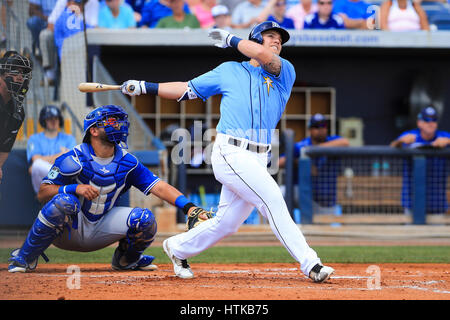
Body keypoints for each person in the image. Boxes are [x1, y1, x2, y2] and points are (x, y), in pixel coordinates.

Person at [121, 21, 335, 283]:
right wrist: (145, 87)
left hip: (259, 156)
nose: (277, 42)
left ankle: (177, 247)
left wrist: (231, 39)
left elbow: (264, 56)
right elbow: (187, 89)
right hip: (230, 151)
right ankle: (311, 263)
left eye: (280, 39)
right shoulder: (229, 70)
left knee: (228, 222)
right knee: (272, 201)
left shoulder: (284, 71)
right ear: (255, 40)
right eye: (270, 36)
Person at [8, 104, 210, 273]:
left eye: (119, 120)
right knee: (64, 201)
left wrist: (189, 207)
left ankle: (125, 260)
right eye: (111, 121)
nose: (119, 124)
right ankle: (25, 257)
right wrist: (73, 188)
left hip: (102, 226)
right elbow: (43, 193)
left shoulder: (128, 161)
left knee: (145, 219)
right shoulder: (73, 158)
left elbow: (160, 187)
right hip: (68, 230)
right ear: (94, 130)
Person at [279, 114, 349, 213]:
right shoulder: (303, 145)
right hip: (307, 197)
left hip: (327, 201)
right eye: (316, 126)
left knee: (322, 227)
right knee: (280, 192)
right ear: (310, 129)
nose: (320, 129)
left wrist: (314, 150)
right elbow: (279, 162)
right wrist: (302, 164)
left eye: (323, 125)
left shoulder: (332, 141)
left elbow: (345, 143)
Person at [390, 106, 450, 214]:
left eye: (434, 120)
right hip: (412, 201)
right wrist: (400, 141)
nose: (431, 123)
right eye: (427, 120)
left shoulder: (443, 136)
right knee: (411, 231)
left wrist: (448, 141)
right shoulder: (411, 135)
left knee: (438, 231)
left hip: (437, 202)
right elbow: (392, 146)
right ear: (419, 123)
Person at [40, 0, 99, 83]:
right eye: (75, 3)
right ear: (68, 4)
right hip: (67, 52)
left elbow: (92, 29)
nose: (78, 5)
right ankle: (50, 72)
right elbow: (52, 26)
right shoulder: (64, 16)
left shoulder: (91, 5)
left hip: (82, 50)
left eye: (80, 3)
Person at [0, 51, 33, 185]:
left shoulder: (18, 112)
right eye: (15, 71)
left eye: (22, 73)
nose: (20, 77)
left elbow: (5, 146)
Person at [27, 105, 76, 194]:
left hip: (62, 177)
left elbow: (70, 162)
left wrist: (46, 159)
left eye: (56, 118)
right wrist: (61, 155)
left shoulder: (69, 138)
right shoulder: (34, 139)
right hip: (43, 181)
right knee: (37, 165)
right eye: (50, 119)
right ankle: (45, 195)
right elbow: (36, 160)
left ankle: (58, 192)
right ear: (44, 121)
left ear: (59, 120)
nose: (54, 121)